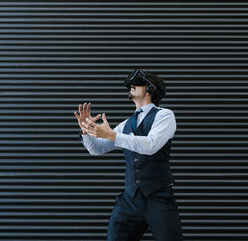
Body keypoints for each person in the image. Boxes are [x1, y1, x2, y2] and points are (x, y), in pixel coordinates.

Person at [74, 70, 183, 241]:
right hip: (130, 199)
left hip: (158, 197)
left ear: (150, 89)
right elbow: (97, 149)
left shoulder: (164, 115)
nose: (131, 86)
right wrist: (86, 131)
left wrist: (112, 135)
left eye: (138, 83)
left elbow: (151, 145)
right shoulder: (126, 124)